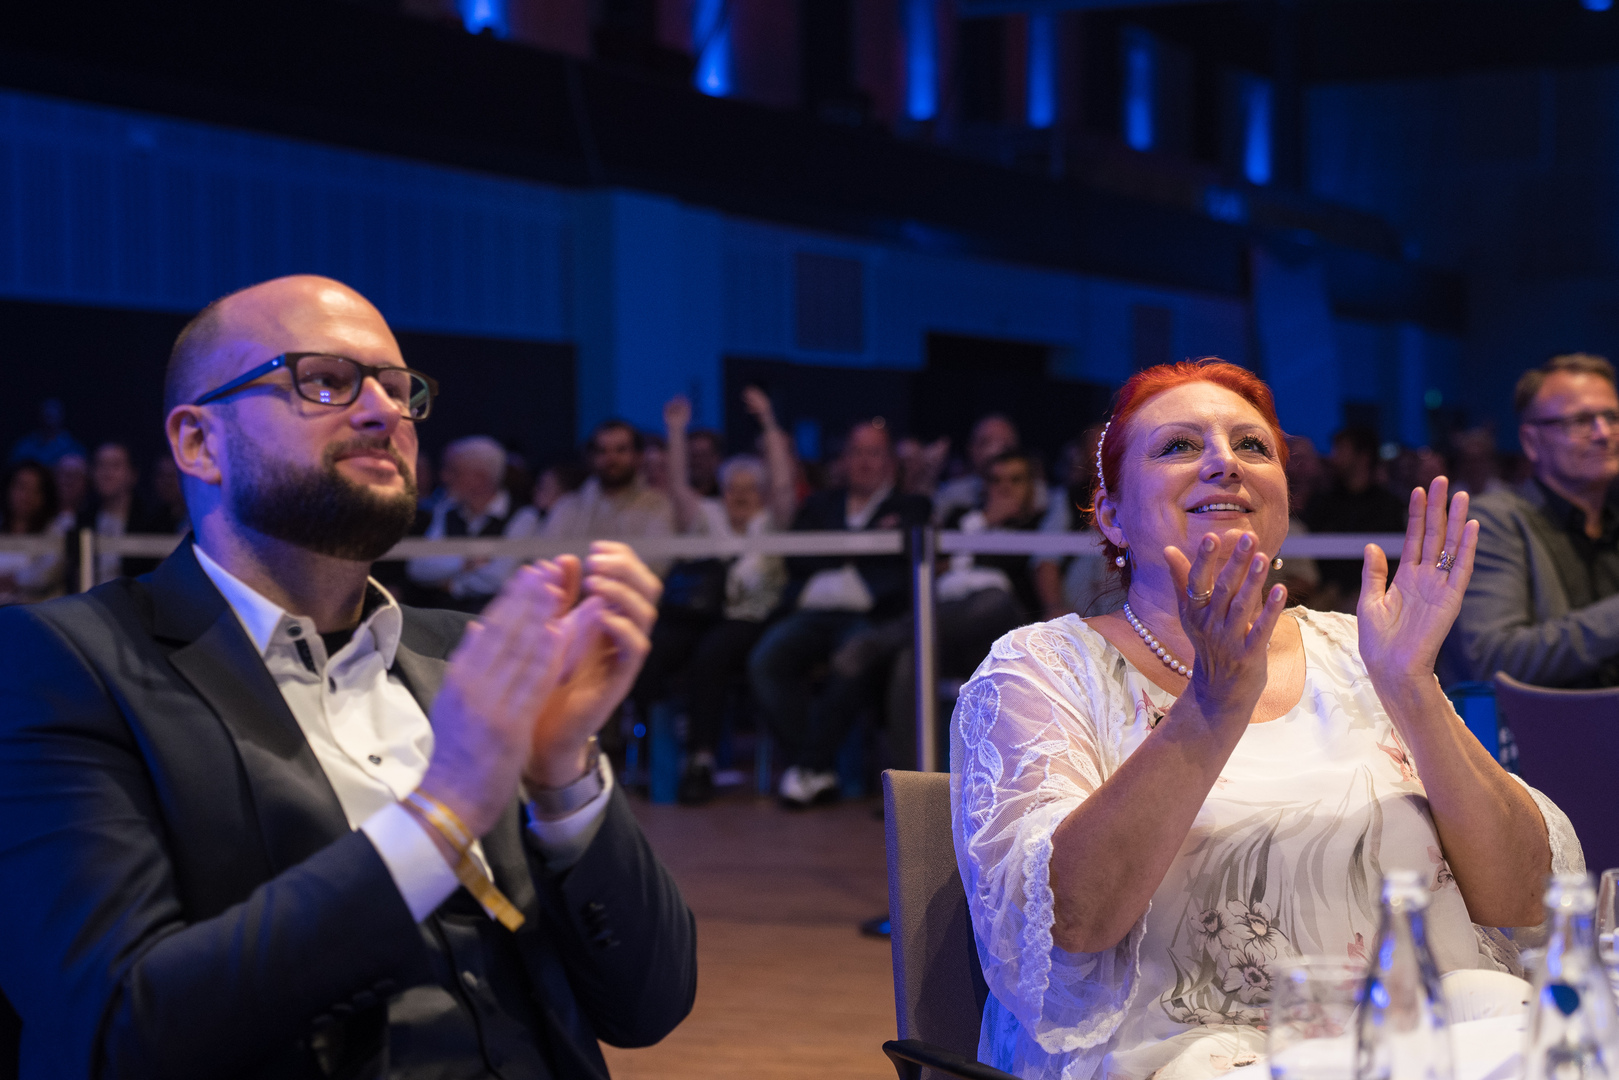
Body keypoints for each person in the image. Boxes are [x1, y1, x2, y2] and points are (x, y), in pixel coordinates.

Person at [0, 274, 695, 1078]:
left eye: (398, 390)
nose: (383, 412)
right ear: (198, 444)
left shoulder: (466, 654)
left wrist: (562, 774)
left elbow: (649, 1007)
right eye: (324, 381)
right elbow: (122, 1028)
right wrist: (442, 811)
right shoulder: (66, 663)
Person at [952, 360, 1574, 1080]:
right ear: (1113, 516)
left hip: (1423, 1035)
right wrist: (1210, 706)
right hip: (1184, 1057)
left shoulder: (1366, 650)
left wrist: (1411, 686)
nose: (1224, 462)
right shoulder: (1042, 670)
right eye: (1179, 446)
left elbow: (1523, 898)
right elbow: (1067, 925)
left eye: (1252, 446)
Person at [748, 419, 931, 808]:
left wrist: (844, 573)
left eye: (874, 453)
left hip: (874, 617)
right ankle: (815, 766)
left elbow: (901, 572)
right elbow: (799, 560)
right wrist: (851, 568)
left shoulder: (911, 506)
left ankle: (810, 767)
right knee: (766, 659)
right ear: (844, 459)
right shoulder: (819, 504)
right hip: (813, 613)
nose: (864, 462)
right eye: (857, 452)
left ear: (890, 461)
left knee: (852, 659)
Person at [632, 388, 796, 803]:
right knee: (651, 648)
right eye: (732, 488)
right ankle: (660, 745)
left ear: (761, 494)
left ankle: (700, 760)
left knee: (710, 656)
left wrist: (768, 422)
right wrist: (675, 429)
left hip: (750, 620)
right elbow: (677, 486)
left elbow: (783, 482)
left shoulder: (772, 523)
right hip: (700, 615)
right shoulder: (709, 517)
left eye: (749, 489)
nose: (740, 496)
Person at [1442, 353, 1619, 687]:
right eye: (1581, 421)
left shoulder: (1611, 521)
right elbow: (1492, 658)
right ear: (1531, 441)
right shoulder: (1492, 522)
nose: (1603, 433)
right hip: (1546, 720)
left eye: (1612, 417)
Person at [882, 449, 1044, 770]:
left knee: (992, 599)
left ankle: (883, 638)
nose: (1004, 488)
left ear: (1031, 486)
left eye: (1015, 480)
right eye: (996, 481)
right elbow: (937, 565)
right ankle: (913, 782)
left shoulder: (1039, 524)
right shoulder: (961, 517)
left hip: (1005, 633)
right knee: (911, 658)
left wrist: (991, 523)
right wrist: (984, 521)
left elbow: (1020, 575)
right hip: (951, 626)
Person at [544, 420, 675, 574]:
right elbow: (549, 558)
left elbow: (658, 563)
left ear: (638, 456)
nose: (611, 458)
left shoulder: (656, 505)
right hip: (576, 588)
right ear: (592, 457)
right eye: (602, 451)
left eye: (620, 450)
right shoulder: (568, 507)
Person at [1303, 425, 1408, 611]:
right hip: (1325, 595)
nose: (1334, 457)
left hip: (1377, 594)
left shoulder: (1389, 505)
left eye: (1341, 450)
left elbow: (1396, 559)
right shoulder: (1322, 503)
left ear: (1363, 456)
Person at [405, 435, 513, 612]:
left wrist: (452, 585)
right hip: (446, 617)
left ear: (480, 477)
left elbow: (500, 579)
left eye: (454, 471)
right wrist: (466, 562)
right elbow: (418, 568)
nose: (444, 477)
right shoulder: (446, 510)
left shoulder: (521, 516)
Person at [75, 442, 178, 583]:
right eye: (101, 465)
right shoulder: (83, 518)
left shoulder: (152, 521)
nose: (106, 473)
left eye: (115, 466)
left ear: (132, 474)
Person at [932, 413, 1025, 524]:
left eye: (1005, 444)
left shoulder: (1040, 498)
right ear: (971, 448)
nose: (995, 451)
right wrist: (986, 518)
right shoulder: (951, 496)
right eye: (986, 442)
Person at [0, 462, 71, 606]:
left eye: (35, 490)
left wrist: (13, 580)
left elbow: (47, 574)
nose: (26, 496)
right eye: (21, 487)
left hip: (38, 612)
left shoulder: (57, 529)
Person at [5, 399, 84, 469]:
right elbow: (13, 470)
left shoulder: (74, 448)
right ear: (40, 416)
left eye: (54, 414)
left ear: (62, 416)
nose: (50, 419)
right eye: (47, 414)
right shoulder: (24, 446)